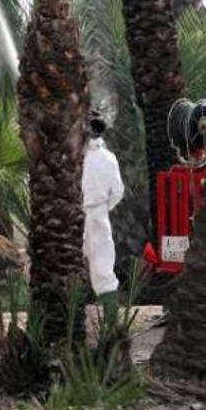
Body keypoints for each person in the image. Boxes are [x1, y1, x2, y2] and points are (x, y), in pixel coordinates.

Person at [82, 111, 125, 321]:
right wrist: (103, 208)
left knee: (67, 264)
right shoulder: (109, 158)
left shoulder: (77, 155)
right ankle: (110, 325)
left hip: (73, 214)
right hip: (98, 214)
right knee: (104, 268)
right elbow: (117, 191)